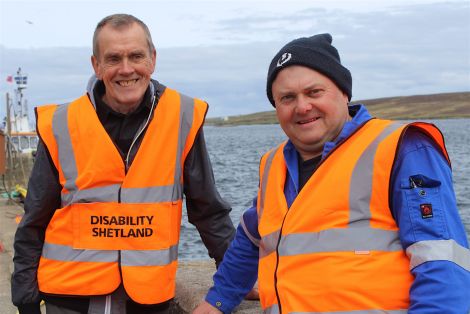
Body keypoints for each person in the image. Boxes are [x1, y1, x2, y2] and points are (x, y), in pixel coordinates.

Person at [193, 33, 470, 313]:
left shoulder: (402, 148)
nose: (302, 106)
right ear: (276, 107)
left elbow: (442, 262)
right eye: (287, 97)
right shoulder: (273, 164)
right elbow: (252, 237)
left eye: (314, 92)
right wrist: (217, 301)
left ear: (343, 92)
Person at [11, 14, 236, 314]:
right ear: (96, 65)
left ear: (153, 59)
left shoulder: (181, 117)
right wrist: (25, 299)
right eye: (113, 58)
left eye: (136, 56)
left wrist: (238, 277)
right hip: (68, 297)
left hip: (147, 299)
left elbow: (208, 209)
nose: (126, 69)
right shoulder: (62, 125)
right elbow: (34, 219)